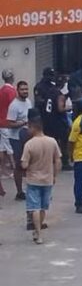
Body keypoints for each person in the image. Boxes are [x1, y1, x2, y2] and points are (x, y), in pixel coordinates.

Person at [21, 115, 61, 245]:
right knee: (43, 207)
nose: (27, 129)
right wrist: (55, 175)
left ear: (33, 127)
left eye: (28, 127)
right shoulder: (52, 141)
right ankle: (39, 230)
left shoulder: (29, 144)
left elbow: (24, 165)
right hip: (48, 179)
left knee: (34, 208)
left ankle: (38, 233)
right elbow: (57, 160)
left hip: (33, 180)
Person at [35, 68, 71, 170]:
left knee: (53, 141)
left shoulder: (51, 89)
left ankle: (53, 161)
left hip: (49, 119)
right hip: (54, 119)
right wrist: (69, 107)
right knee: (61, 141)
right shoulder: (41, 87)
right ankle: (63, 162)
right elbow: (59, 108)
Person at [7, 81, 31, 204]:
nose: (25, 91)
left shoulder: (28, 102)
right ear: (18, 90)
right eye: (22, 89)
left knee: (29, 163)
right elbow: (9, 123)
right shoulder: (14, 105)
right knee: (19, 165)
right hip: (16, 138)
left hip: (27, 136)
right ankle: (19, 191)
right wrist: (22, 123)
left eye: (26, 89)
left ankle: (31, 190)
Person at [0, 69, 16, 199]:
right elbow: (13, 106)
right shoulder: (10, 91)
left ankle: (4, 168)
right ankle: (12, 167)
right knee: (9, 147)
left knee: (2, 146)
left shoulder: (1, 90)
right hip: (7, 122)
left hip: (1, 121)